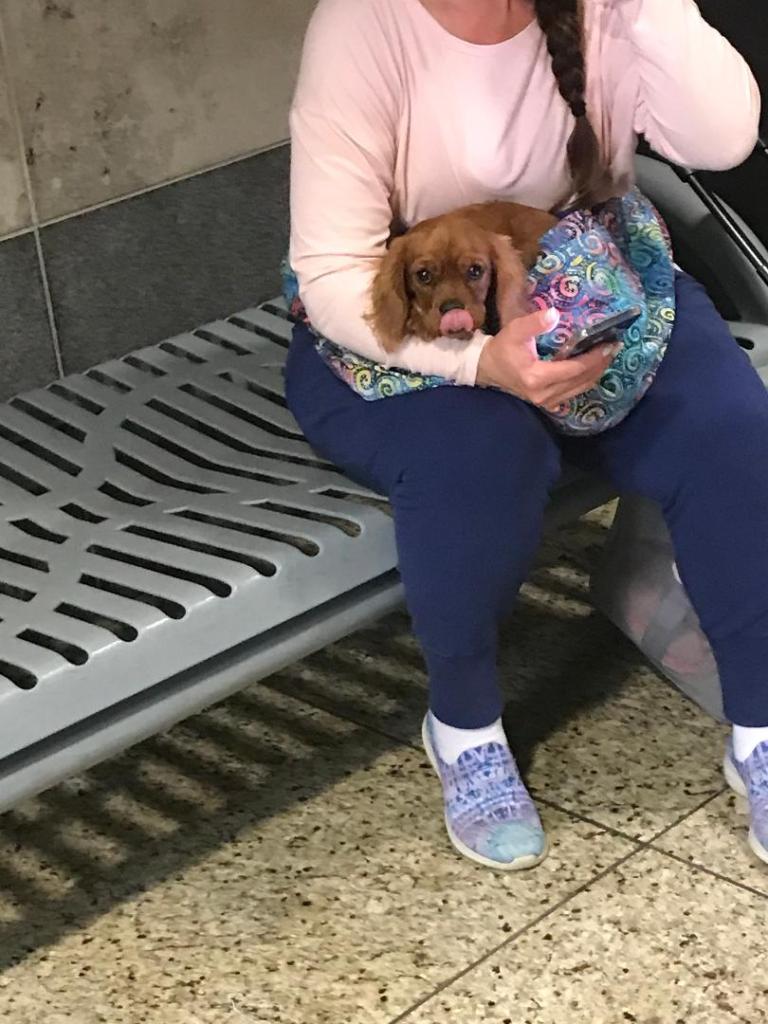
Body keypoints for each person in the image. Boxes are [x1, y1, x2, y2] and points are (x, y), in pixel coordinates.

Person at [286, 0, 768, 870]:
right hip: (411, 315)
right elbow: (328, 272)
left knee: (730, 427)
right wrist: (481, 364)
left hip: (590, 271)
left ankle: (762, 727)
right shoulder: (364, 23)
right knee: (481, 459)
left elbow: (724, 139)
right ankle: (464, 727)